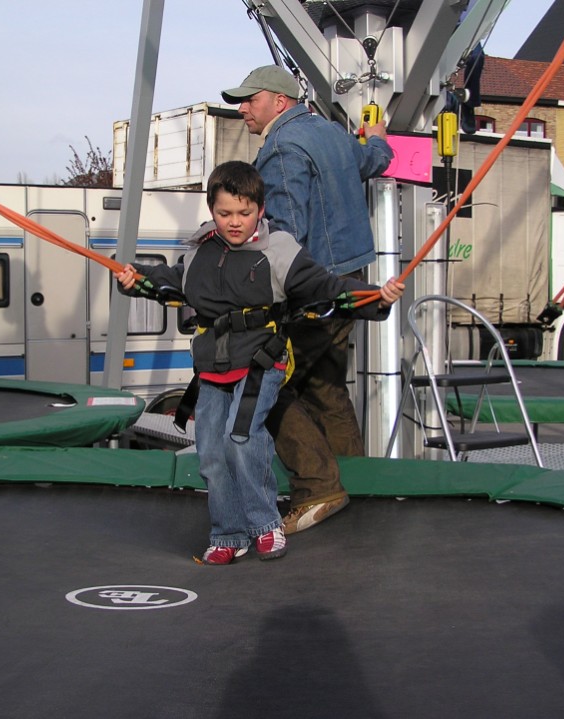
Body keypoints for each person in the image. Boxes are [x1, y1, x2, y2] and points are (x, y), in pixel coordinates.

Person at [115, 161, 404, 565]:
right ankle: (228, 534)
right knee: (211, 452)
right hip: (213, 367)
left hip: (260, 361)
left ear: (261, 209)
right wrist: (135, 279)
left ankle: (264, 524)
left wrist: (375, 298)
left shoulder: (278, 250)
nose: (235, 222)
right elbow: (172, 281)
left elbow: (327, 289)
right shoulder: (201, 251)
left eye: (244, 212)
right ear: (212, 211)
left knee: (242, 437)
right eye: (225, 213)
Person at [221, 65, 395, 535]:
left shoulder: (281, 148)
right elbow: (375, 161)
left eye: (250, 99)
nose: (242, 109)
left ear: (279, 101)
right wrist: (378, 136)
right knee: (324, 385)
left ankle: (318, 487)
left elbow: (286, 237)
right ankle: (360, 483)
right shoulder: (333, 133)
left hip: (312, 292)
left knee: (265, 388)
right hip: (349, 283)